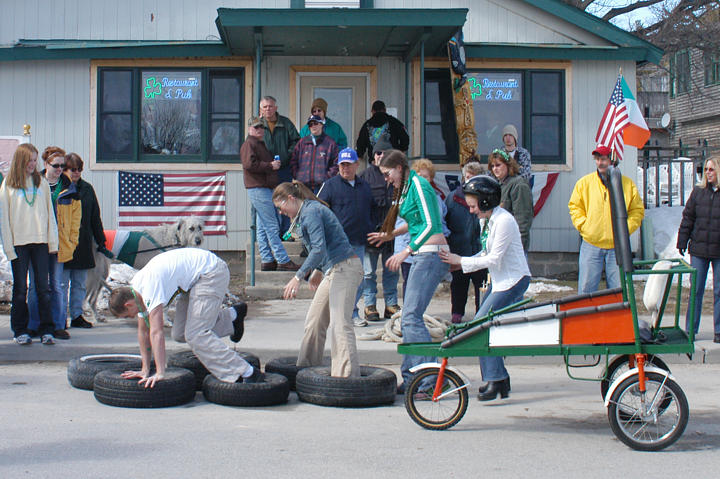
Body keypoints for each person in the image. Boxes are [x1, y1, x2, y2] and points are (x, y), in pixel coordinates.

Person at [108, 248, 256, 387]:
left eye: (128, 315)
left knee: (196, 335)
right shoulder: (135, 292)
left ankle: (247, 372)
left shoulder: (148, 288)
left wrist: (160, 373)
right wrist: (144, 370)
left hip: (210, 272)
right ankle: (232, 316)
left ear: (128, 305)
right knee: (180, 334)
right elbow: (144, 332)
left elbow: (156, 332)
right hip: (190, 282)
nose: (132, 316)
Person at [440, 175, 531, 401]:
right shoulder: (487, 221)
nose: (471, 210)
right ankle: (498, 379)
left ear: (485, 201)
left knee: (481, 325)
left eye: (473, 205)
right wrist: (461, 260)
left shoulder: (504, 221)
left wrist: (460, 261)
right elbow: (484, 253)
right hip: (500, 279)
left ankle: (495, 379)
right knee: (486, 326)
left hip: (513, 280)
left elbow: (494, 258)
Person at [367, 150, 449, 393]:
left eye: (387, 173)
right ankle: (414, 376)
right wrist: (391, 234)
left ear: (399, 168)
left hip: (431, 254)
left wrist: (406, 251)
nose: (386, 178)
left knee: (411, 317)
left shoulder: (420, 185)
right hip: (422, 254)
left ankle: (431, 379)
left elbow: (432, 224)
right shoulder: (405, 188)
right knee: (409, 318)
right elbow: (414, 222)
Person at [274, 181, 363, 378]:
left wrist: (298, 276)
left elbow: (319, 247)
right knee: (314, 321)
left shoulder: (311, 212)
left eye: (280, 207)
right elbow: (323, 248)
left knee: (340, 324)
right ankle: (306, 372)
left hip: (346, 268)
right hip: (333, 269)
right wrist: (318, 270)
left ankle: (347, 379)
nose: (280, 212)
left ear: (291, 199)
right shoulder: (303, 213)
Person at [0, 143, 58, 345]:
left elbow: (50, 214)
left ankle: (47, 329)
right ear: (20, 161)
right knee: (20, 290)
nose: (33, 164)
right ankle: (20, 330)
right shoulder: (8, 184)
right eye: (29, 160)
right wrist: (9, 247)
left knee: (43, 288)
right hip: (19, 244)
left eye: (35, 160)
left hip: (40, 242)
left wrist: (53, 241)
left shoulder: (41, 182)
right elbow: (4, 219)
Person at [568, 145, 644, 294]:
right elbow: (575, 207)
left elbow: (637, 211)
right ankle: (585, 317)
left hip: (617, 246)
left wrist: (625, 228)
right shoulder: (584, 183)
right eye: (597, 159)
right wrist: (584, 226)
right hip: (591, 244)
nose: (599, 163)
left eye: (603, 159)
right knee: (585, 291)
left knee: (618, 292)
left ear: (612, 161)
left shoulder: (627, 185)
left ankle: (614, 317)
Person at [317, 148, 374, 327]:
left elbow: (371, 210)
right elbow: (318, 211)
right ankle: (337, 315)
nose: (345, 168)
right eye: (342, 165)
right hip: (336, 245)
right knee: (337, 281)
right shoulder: (329, 186)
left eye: (349, 165)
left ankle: (351, 313)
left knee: (358, 281)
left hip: (359, 242)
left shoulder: (365, 186)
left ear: (357, 165)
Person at [240, 116, 299, 272]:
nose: (259, 130)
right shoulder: (249, 144)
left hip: (264, 188)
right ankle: (282, 260)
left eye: (261, 127)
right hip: (259, 188)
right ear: (249, 129)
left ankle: (267, 260)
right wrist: (270, 165)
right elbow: (249, 164)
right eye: (255, 127)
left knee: (262, 226)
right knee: (272, 225)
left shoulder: (259, 144)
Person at [58, 153, 109, 330]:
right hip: (64, 244)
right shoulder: (58, 188)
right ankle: (60, 316)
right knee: (62, 284)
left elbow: (95, 216)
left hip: (83, 242)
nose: (77, 172)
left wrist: (101, 240)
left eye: (79, 169)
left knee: (80, 283)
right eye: (73, 169)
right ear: (64, 169)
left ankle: (77, 315)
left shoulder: (87, 189)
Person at [27, 146, 71, 339]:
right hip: (37, 240)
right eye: (56, 165)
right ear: (45, 164)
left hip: (59, 241)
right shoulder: (33, 183)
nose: (60, 169)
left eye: (63, 165)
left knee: (56, 284)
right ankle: (34, 324)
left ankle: (58, 324)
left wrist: (70, 240)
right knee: (36, 284)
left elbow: (75, 219)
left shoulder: (69, 187)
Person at [677, 155, 720, 343]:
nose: (707, 173)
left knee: (719, 292)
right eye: (706, 169)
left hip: (719, 251)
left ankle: (718, 331)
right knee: (696, 290)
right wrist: (682, 241)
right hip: (699, 250)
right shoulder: (698, 193)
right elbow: (688, 218)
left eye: (711, 169)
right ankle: (690, 329)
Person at [359, 137, 400, 322]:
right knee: (368, 272)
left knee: (391, 271)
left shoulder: (399, 176)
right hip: (371, 233)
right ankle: (369, 305)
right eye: (377, 153)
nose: (380, 156)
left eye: (385, 153)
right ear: (373, 156)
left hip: (393, 232)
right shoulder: (365, 176)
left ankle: (391, 304)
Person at [445, 160, 487, 323]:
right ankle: (457, 313)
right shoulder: (453, 197)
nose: (470, 181)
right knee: (458, 284)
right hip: (459, 248)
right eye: (468, 177)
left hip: (479, 250)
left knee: (481, 285)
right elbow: (446, 223)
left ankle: (481, 315)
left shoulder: (486, 198)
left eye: (474, 177)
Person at [260, 95, 301, 235]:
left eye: (270, 106)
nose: (268, 109)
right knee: (267, 203)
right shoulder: (257, 125)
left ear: (275, 108)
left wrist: (285, 157)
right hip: (265, 171)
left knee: (285, 201)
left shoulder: (285, 123)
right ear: (261, 109)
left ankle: (285, 233)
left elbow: (297, 142)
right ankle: (270, 234)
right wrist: (266, 164)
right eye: (265, 107)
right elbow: (251, 145)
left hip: (283, 169)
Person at [488, 149, 533, 252]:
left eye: (498, 165)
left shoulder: (519, 185)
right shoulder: (499, 185)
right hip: (500, 244)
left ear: (508, 165)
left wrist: (518, 248)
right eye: (492, 166)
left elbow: (523, 221)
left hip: (514, 247)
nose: (495, 169)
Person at [291, 115, 339, 193]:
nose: (313, 126)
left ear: (321, 124)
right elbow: (293, 161)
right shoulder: (302, 142)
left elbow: (336, 163)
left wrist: (327, 177)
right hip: (303, 186)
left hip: (322, 186)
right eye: (311, 124)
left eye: (316, 123)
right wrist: (298, 175)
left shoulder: (330, 143)